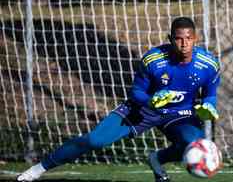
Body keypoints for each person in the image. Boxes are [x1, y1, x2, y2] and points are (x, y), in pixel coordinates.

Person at [17, 17, 220, 182]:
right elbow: (136, 92)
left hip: (180, 113)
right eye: (178, 38)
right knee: (95, 140)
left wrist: (209, 105)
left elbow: (210, 93)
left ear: (196, 38)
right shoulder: (153, 59)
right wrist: (150, 101)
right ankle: (38, 169)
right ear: (170, 38)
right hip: (143, 110)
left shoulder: (209, 64)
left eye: (189, 38)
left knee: (194, 143)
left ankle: (156, 159)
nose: (184, 43)